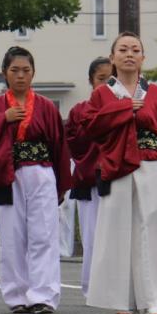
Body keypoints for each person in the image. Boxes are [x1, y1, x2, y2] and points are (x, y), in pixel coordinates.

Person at [81, 32, 157, 314]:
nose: (129, 54)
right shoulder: (102, 93)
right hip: (119, 166)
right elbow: (89, 127)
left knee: (154, 230)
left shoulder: (155, 93)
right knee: (118, 231)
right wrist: (124, 109)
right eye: (122, 49)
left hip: (152, 164)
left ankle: (154, 298)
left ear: (143, 58)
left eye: (135, 50)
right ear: (112, 58)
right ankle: (120, 299)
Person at [0, 46, 72, 314]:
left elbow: (60, 146)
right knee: (13, 238)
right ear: (4, 73)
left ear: (33, 73)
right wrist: (2, 120)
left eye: (26, 71)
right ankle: (16, 295)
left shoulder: (47, 107)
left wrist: (62, 184)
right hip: (8, 174)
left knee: (44, 235)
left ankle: (43, 295)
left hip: (41, 171)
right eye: (14, 70)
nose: (20, 76)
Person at [65, 56, 112, 296]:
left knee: (116, 236)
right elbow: (74, 144)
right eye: (101, 79)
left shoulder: (125, 105)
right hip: (89, 179)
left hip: (117, 179)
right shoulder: (79, 111)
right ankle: (92, 288)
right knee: (92, 237)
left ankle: (116, 287)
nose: (105, 84)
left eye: (110, 79)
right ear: (91, 81)